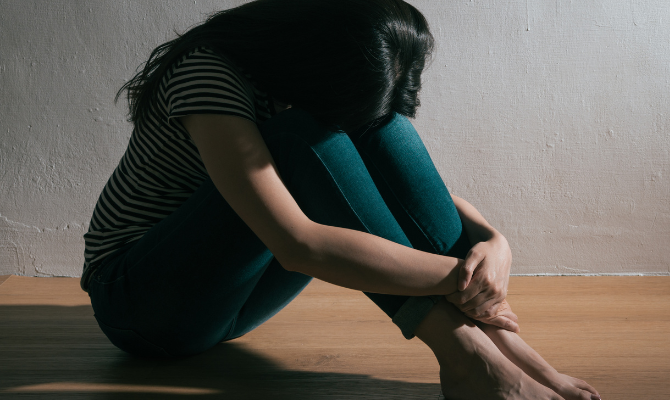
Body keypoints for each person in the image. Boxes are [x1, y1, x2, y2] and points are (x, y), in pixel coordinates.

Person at [80, 1, 600, 399]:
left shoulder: (298, 75)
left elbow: (389, 193)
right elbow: (299, 245)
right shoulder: (207, 73)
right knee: (297, 136)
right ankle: (466, 356)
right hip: (143, 306)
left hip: (234, 299)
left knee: (383, 130)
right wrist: (464, 276)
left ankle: (504, 347)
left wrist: (492, 241)